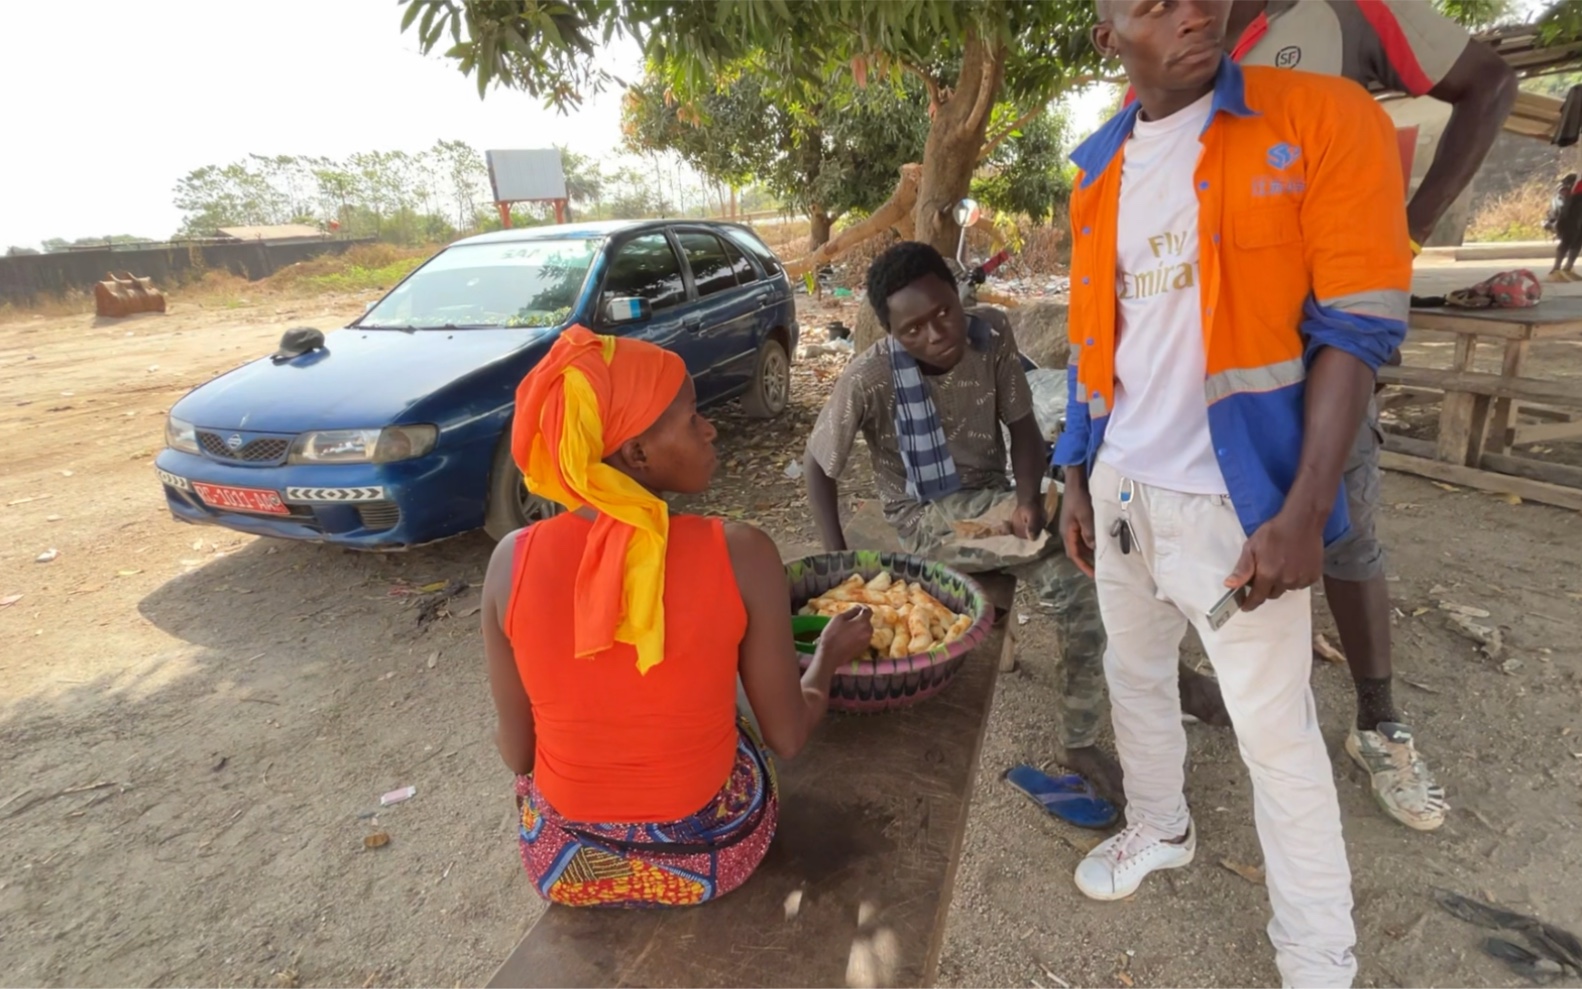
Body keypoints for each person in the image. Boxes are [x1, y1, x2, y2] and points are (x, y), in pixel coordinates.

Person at [1059, 2, 1411, 985]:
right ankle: (1158, 826)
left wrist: (1301, 508)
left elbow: (1358, 326)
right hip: (1124, 486)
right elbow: (1101, 346)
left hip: (1241, 501)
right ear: (1107, 35)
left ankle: (1316, 954)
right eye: (1150, 2)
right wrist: (1075, 473)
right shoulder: (1096, 170)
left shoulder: (1321, 119)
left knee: (1275, 736)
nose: (1189, 9)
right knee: (1136, 680)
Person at [1213, 0, 1516, 834]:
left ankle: (1379, 721)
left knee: (1339, 516)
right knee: (1210, 505)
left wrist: (1404, 231)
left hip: (1325, 334)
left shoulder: (1349, 13)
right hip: (1217, 334)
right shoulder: (1181, 25)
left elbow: (1488, 83)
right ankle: (1225, 682)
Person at [803, 241, 1229, 802]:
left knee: (1085, 587)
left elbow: (1024, 429)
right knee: (1089, 524)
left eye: (943, 312)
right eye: (913, 330)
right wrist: (840, 566)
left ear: (957, 296)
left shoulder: (993, 333)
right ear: (890, 333)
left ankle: (1087, 735)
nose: (934, 334)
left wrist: (1028, 495)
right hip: (929, 521)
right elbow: (817, 462)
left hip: (997, 501)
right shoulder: (871, 376)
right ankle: (1181, 680)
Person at [481, 325, 873, 907]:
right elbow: (787, 737)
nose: (710, 428)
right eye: (693, 419)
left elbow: (518, 755)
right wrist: (827, 658)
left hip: (564, 865)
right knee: (737, 717)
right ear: (637, 453)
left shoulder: (509, 561)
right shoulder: (740, 553)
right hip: (712, 855)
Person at [1550, 173, 1582, 282]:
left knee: (1578, 241)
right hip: (1571, 215)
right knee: (1568, 240)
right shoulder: (1575, 182)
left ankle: (1568, 267)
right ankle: (1556, 269)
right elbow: (1563, 199)